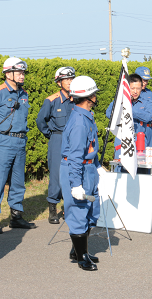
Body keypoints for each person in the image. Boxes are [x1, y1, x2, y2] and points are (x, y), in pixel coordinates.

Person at [0, 57, 35, 234]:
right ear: (8, 73)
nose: (22, 75)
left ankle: (16, 216)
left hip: (20, 141)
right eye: (19, 72)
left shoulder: (24, 94)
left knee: (18, 181)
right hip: (3, 140)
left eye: (23, 72)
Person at [60, 75, 106, 271]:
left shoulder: (85, 116)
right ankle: (81, 258)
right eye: (94, 93)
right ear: (88, 97)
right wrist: (76, 184)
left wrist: (96, 166)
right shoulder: (80, 121)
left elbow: (89, 147)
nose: (96, 96)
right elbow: (76, 155)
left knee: (91, 210)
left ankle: (78, 250)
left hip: (87, 168)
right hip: (77, 169)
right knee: (79, 211)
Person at [36, 67, 75, 224]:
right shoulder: (51, 100)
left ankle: (68, 208)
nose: (70, 82)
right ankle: (53, 209)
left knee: (73, 174)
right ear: (59, 82)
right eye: (67, 79)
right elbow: (40, 120)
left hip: (73, 141)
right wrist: (50, 135)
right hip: (57, 139)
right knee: (56, 175)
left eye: (72, 79)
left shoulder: (77, 100)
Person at [106, 73, 152, 173]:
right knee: (122, 171)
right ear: (127, 87)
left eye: (138, 88)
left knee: (141, 173)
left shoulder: (145, 101)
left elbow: (148, 117)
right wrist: (125, 104)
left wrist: (128, 110)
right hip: (123, 141)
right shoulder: (120, 100)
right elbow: (109, 113)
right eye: (132, 88)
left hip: (140, 141)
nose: (135, 91)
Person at [134, 66, 152, 147]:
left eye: (147, 80)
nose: (145, 82)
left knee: (150, 154)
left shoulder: (149, 93)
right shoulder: (132, 93)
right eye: (143, 80)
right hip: (138, 128)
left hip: (149, 129)